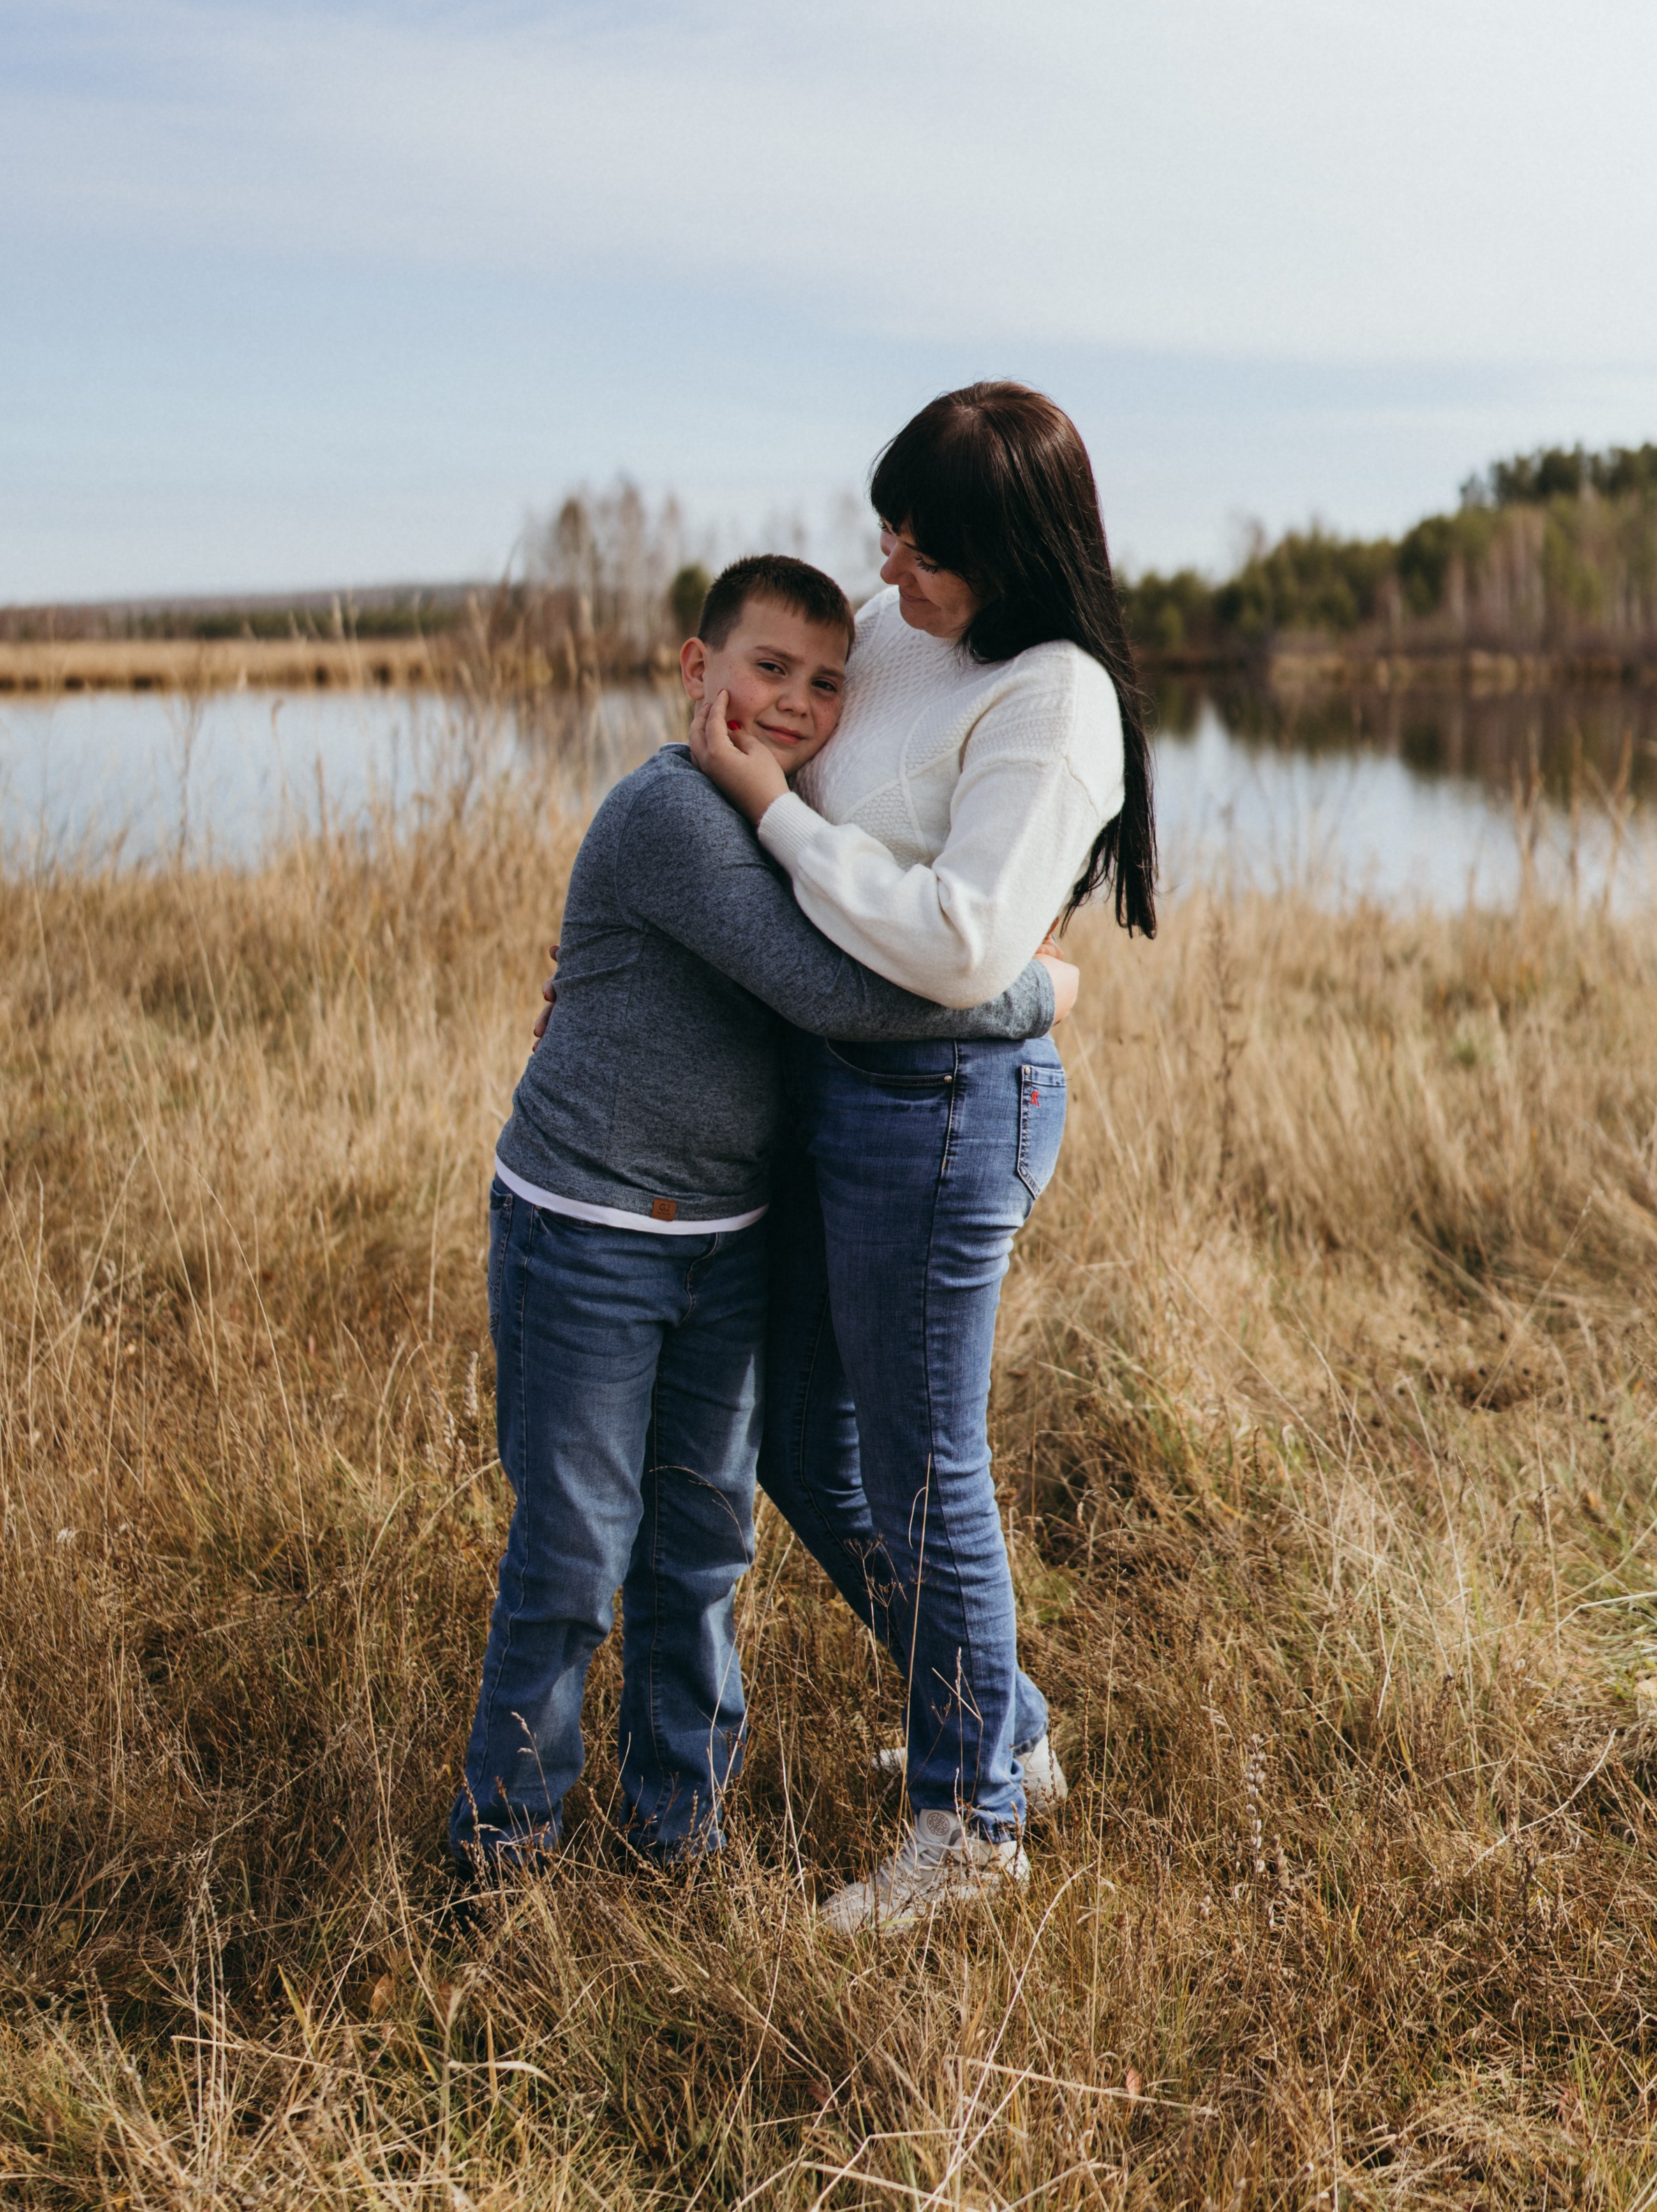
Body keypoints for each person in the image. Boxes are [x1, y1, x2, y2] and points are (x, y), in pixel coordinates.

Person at [449, 554, 1073, 1880]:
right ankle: (501, 1854)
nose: (793, 703)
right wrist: (1033, 992)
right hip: (595, 1234)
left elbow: (854, 948)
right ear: (698, 670)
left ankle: (677, 1833)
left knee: (698, 1557)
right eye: (766, 670)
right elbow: (831, 993)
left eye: (827, 681)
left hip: (723, 1240)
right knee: (572, 1555)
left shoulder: (793, 819)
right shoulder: (680, 813)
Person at [689, 383, 1157, 1932]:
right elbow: (766, 726)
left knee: (922, 1462)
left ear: (1010, 550)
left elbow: (961, 945)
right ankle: (1001, 1726)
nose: (889, 570)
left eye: (925, 547)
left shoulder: (1051, 700)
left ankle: (966, 1830)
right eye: (886, 527)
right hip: (827, 1086)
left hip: (946, 1106)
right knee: (798, 1439)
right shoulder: (895, 636)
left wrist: (770, 819)